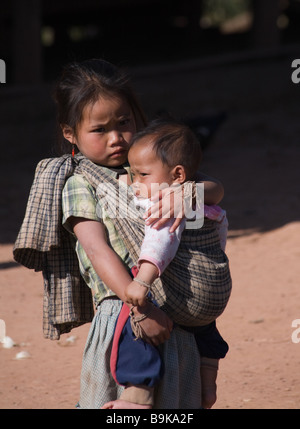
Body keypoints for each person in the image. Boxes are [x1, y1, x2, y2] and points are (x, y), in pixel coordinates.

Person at [13, 58, 226, 409]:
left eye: (124, 122)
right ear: (71, 134)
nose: (116, 139)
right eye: (99, 130)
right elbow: (97, 251)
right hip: (127, 312)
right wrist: (138, 303)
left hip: (174, 307)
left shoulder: (148, 166)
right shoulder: (79, 183)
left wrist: (189, 192)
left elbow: (216, 191)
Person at [104, 118, 230, 410]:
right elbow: (221, 236)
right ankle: (208, 387)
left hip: (185, 297)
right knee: (205, 331)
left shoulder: (165, 203)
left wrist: (143, 281)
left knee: (133, 320)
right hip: (217, 292)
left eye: (142, 175)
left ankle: (138, 396)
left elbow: (161, 243)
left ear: (177, 175)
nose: (135, 184)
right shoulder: (206, 205)